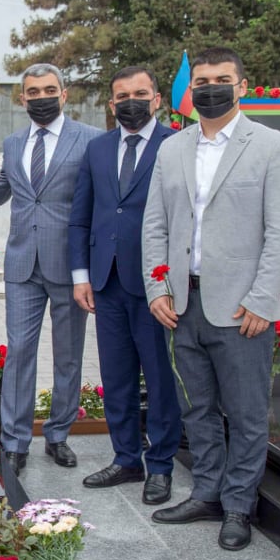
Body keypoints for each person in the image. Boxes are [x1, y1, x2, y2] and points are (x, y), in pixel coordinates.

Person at [142, 47, 280, 550]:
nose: (211, 89)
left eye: (221, 80)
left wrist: (262, 299)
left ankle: (237, 506)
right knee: (197, 410)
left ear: (242, 86)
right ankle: (207, 492)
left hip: (241, 309)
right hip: (182, 306)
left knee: (247, 414)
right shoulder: (172, 148)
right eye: (203, 81)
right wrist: (157, 288)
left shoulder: (272, 146)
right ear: (191, 90)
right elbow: (155, 225)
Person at [0, 63, 103, 475]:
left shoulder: (90, 140)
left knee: (68, 355)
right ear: (22, 98)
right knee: (19, 351)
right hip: (22, 265)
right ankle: (15, 441)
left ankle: (58, 435)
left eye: (49, 90)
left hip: (70, 267)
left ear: (64, 94)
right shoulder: (14, 142)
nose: (41, 97)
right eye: (33, 91)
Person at [69, 66, 181, 505]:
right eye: (122, 95)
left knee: (159, 377)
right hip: (106, 281)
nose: (130, 101)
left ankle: (162, 465)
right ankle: (126, 458)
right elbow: (82, 216)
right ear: (111, 103)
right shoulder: (97, 149)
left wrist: (169, 280)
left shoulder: (176, 144)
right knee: (115, 377)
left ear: (156, 99)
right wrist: (81, 276)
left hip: (155, 284)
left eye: (140, 93)